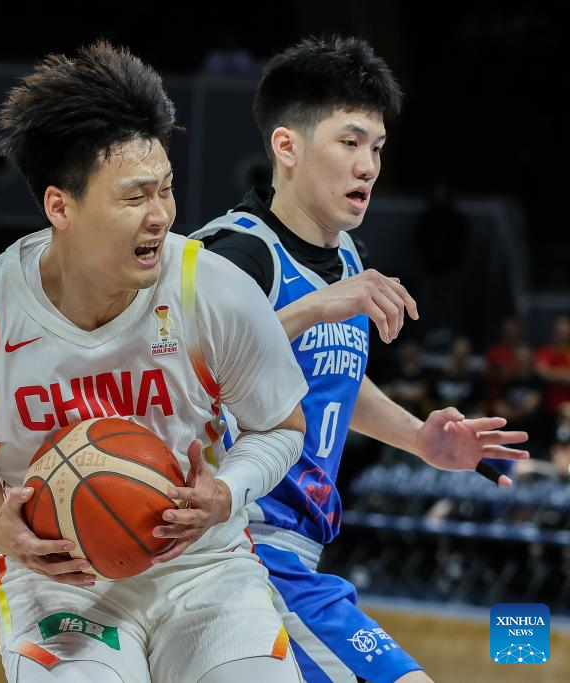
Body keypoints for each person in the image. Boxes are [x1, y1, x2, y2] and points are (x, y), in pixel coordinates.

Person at [0, 40, 308, 683]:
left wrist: (226, 490)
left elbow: (282, 427)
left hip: (203, 567)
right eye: (134, 198)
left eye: (166, 190)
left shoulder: (212, 290)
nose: (161, 216)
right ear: (60, 207)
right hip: (58, 577)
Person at [190, 37, 529, 683]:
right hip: (235, 548)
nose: (368, 165)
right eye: (349, 142)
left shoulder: (348, 256)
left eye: (376, 147)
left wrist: (420, 438)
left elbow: (334, 378)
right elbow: (178, 378)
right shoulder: (232, 256)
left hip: (295, 553)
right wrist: (312, 308)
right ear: (287, 147)